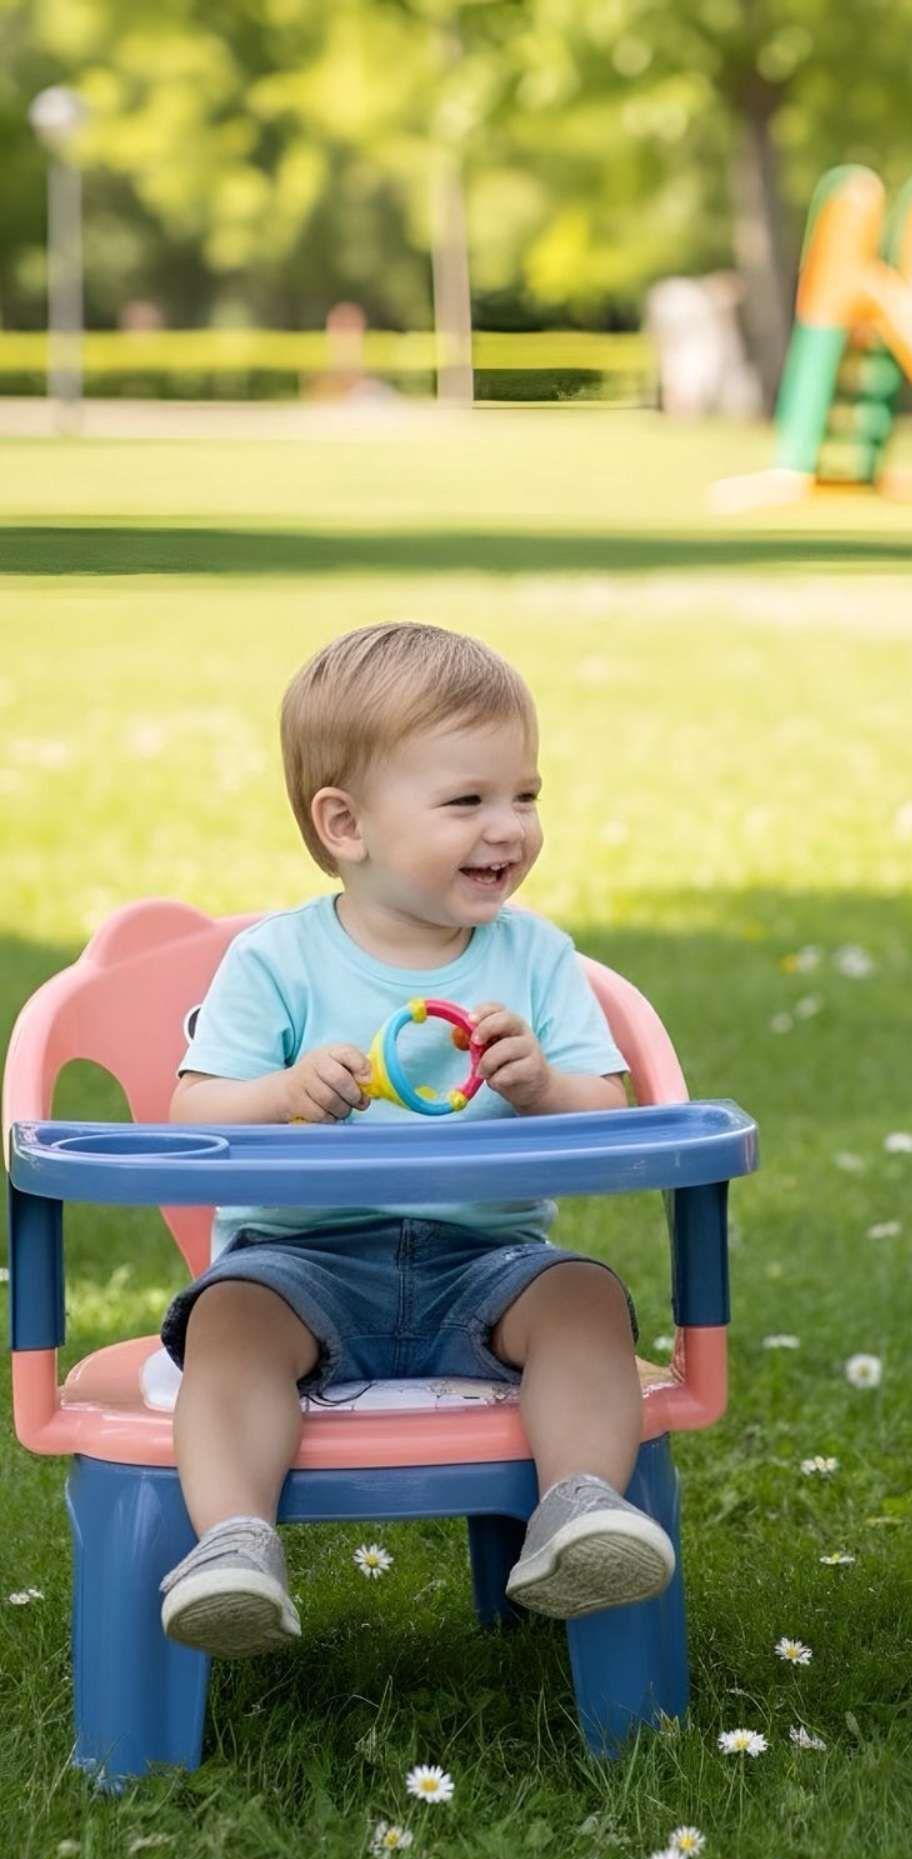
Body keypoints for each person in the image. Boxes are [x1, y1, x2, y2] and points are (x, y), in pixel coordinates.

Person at [158, 620, 673, 1656]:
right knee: (229, 1323)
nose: (509, 828)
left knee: (585, 1297)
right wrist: (284, 1092)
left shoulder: (536, 957)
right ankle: (233, 1544)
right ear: (346, 823)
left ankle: (577, 1507)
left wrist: (543, 1086)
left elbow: (614, 1115)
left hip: (489, 1263)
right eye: (467, 801)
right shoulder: (276, 961)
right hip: (301, 1261)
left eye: (525, 794)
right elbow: (190, 1116)